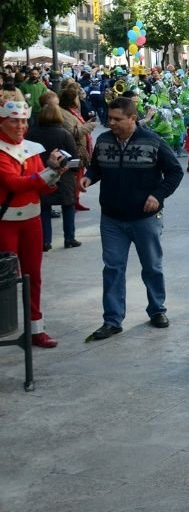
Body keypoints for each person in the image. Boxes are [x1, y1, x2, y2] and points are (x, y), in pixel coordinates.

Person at [82, 96, 184, 341]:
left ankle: (157, 310)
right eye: (110, 118)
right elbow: (97, 166)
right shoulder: (104, 141)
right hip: (112, 219)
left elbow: (174, 171)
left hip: (145, 218)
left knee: (152, 267)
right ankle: (112, 320)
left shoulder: (153, 142)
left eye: (117, 119)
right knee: (113, 269)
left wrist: (158, 195)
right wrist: (89, 177)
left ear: (133, 119)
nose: (111, 122)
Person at [0, 93, 65, 348]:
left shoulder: (31, 149)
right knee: (5, 278)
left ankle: (35, 328)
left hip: (32, 221)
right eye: (14, 121)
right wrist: (47, 173)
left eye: (24, 121)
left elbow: (42, 187)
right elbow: (13, 182)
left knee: (33, 276)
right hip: (6, 223)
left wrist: (55, 173)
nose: (21, 126)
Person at [26, 103, 79, 251]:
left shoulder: (32, 133)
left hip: (41, 174)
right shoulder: (64, 133)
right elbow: (74, 156)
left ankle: (45, 241)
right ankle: (69, 238)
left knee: (44, 208)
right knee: (68, 206)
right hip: (64, 174)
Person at [58, 82, 95, 211]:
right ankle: (72, 202)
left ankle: (76, 201)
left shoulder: (71, 111)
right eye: (76, 97)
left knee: (78, 177)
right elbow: (73, 132)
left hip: (80, 149)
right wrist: (89, 126)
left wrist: (86, 123)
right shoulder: (64, 113)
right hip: (75, 150)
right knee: (75, 178)